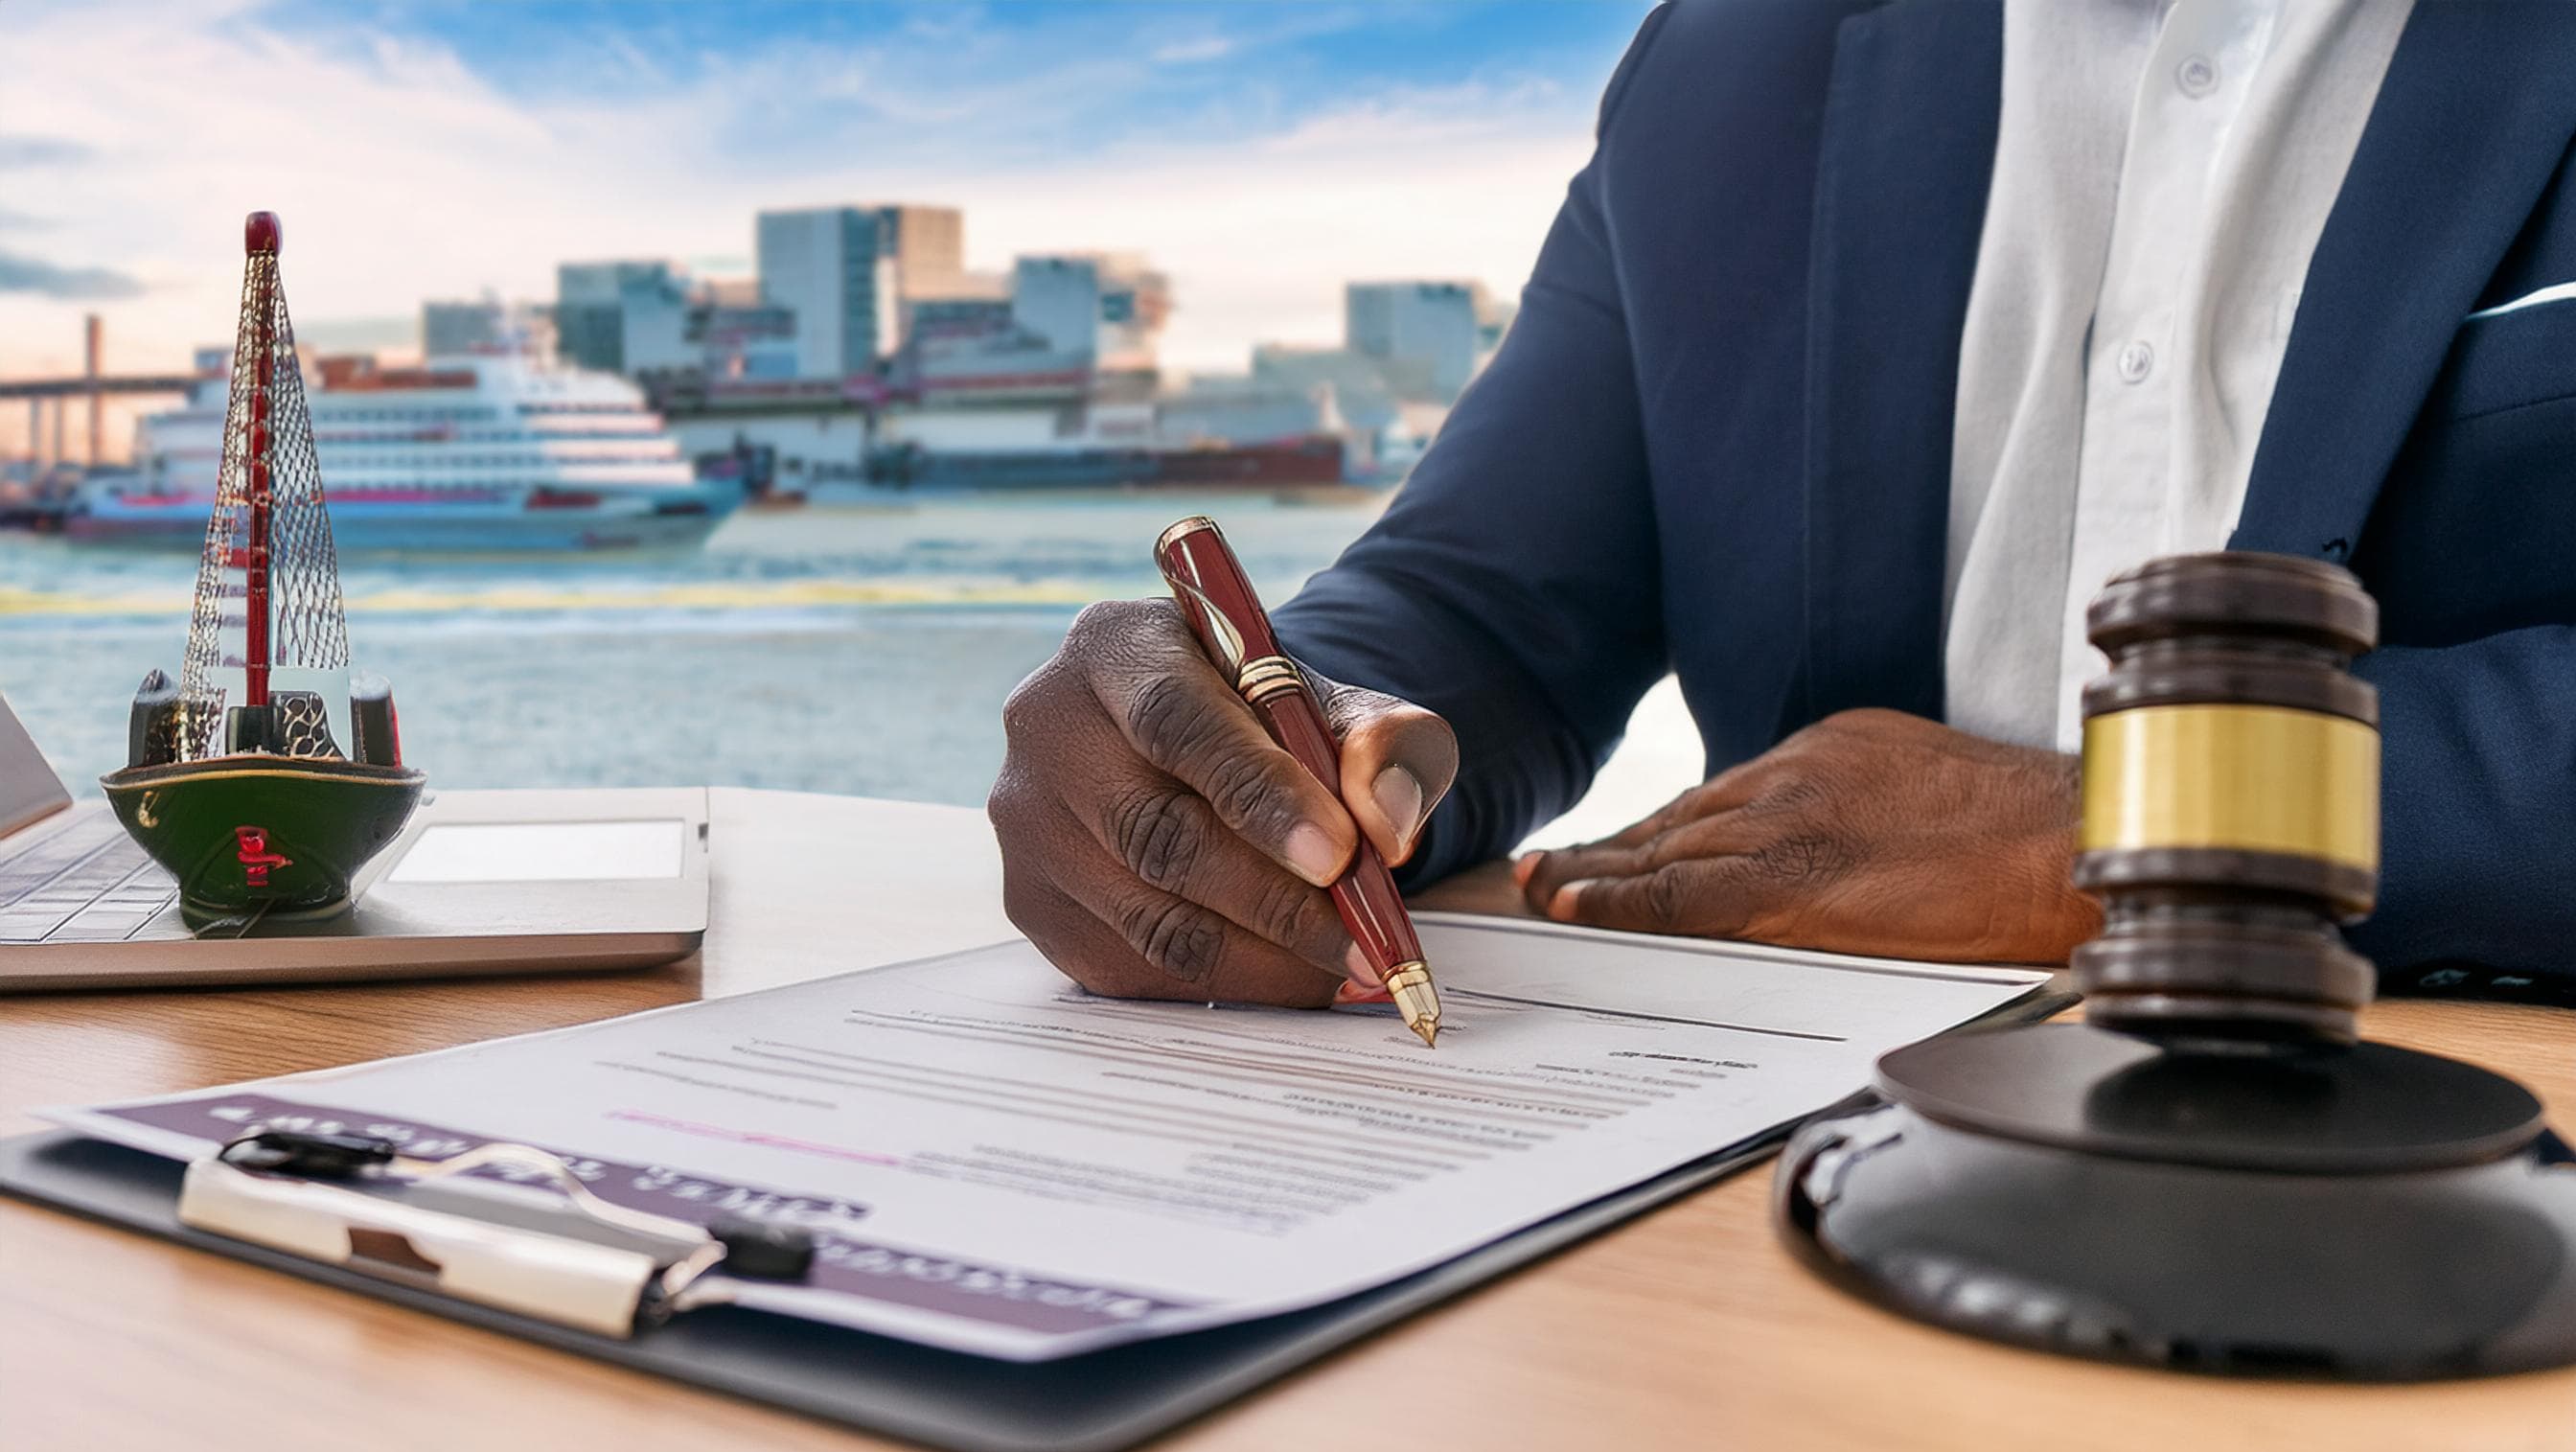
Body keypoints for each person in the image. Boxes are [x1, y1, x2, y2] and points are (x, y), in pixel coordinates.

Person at [988, 0, 2576, 1008]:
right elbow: (1488, 605)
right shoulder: (1735, 66)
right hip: (1781, 1167)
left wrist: (2138, 829)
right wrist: (1265, 737)